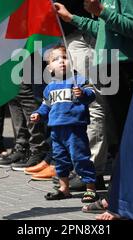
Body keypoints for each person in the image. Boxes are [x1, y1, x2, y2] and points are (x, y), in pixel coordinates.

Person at [55, 0, 133, 151]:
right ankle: (118, 174)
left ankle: (125, 178)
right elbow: (103, 29)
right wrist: (72, 18)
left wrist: (102, 11)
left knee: (125, 129)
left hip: (123, 66)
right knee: (113, 126)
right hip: (106, 64)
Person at [49, 0, 110, 188]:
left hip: (83, 27)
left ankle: (92, 171)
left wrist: (47, 7)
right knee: (78, 99)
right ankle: (80, 167)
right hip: (73, 26)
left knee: (92, 99)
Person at [30, 45, 99, 203]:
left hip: (75, 128)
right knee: (60, 159)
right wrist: (38, 114)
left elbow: (91, 95)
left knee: (80, 157)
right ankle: (64, 188)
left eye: (65, 58)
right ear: (49, 68)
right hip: (56, 130)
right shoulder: (49, 88)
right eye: (56, 59)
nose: (61, 62)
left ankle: (90, 188)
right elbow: (46, 106)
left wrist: (82, 94)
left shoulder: (79, 80)